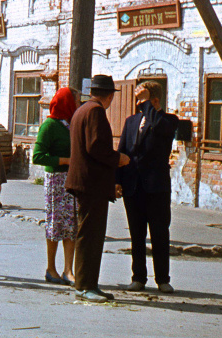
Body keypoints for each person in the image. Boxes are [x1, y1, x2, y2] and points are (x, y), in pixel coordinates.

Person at [65, 75, 130, 303]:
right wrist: (118, 159)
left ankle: (89, 283)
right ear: (110, 96)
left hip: (86, 181)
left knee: (90, 233)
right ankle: (84, 285)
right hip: (91, 182)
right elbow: (95, 147)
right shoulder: (95, 111)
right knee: (90, 235)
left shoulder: (82, 110)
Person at [117, 81, 179, 294]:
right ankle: (138, 277)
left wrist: (148, 105)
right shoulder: (131, 121)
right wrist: (118, 181)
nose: (138, 103)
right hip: (133, 186)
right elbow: (122, 151)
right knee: (136, 234)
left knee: (160, 233)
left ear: (155, 100)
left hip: (157, 187)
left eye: (142, 99)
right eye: (138, 99)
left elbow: (160, 129)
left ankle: (162, 278)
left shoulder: (167, 120)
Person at [32, 87, 80, 286]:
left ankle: (69, 270)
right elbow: (38, 156)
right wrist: (64, 160)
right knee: (55, 225)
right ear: (66, 103)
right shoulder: (49, 125)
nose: (77, 105)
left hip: (73, 181)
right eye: (75, 101)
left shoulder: (72, 124)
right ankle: (51, 269)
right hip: (56, 181)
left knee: (71, 225)